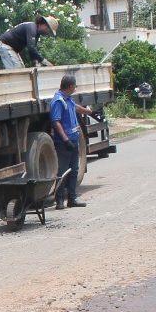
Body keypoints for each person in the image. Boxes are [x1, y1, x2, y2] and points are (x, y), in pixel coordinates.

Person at [50, 74, 92, 210]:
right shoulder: (58, 101)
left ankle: (72, 199)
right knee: (62, 171)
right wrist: (65, 139)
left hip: (74, 140)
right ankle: (59, 200)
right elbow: (56, 121)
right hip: (64, 142)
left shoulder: (67, 99)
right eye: (75, 86)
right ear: (70, 86)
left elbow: (75, 107)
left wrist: (88, 111)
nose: (75, 88)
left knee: (74, 170)